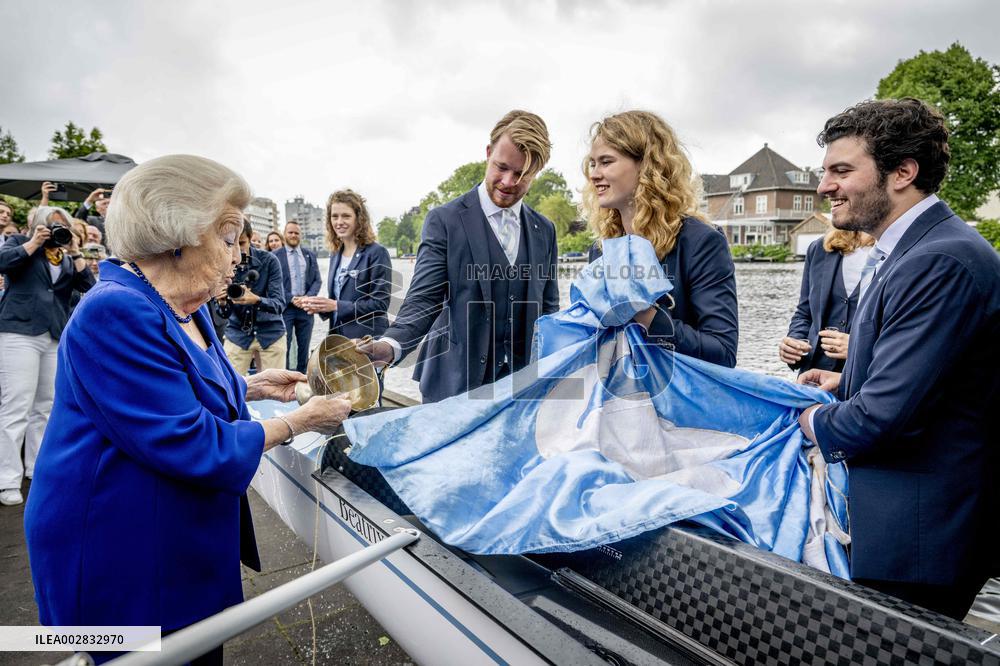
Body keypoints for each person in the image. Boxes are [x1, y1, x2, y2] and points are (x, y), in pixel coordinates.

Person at [23, 155, 352, 660]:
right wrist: (300, 421)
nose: (238, 256)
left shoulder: (185, 305)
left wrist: (251, 386)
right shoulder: (115, 309)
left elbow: (176, 389)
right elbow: (187, 440)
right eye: (227, 237)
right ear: (178, 233)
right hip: (122, 557)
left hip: (167, 542)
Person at [797, 99, 1000, 620]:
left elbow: (883, 417)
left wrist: (808, 417)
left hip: (918, 540)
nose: (824, 187)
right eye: (826, 172)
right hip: (900, 525)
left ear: (903, 173)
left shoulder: (940, 259)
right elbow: (929, 381)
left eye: (842, 171)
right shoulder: (910, 248)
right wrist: (843, 381)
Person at [359, 110, 560, 402]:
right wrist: (390, 345)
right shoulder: (445, 220)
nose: (508, 181)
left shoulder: (545, 229)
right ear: (488, 153)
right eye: (501, 167)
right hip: (453, 385)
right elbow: (423, 299)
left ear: (536, 173)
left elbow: (549, 309)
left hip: (520, 391)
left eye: (521, 174)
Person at [585, 111, 738, 366]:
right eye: (593, 163)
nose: (594, 174)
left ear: (646, 165)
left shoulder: (700, 242)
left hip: (678, 399)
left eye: (606, 162)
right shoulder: (601, 248)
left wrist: (644, 314)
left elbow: (722, 352)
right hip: (619, 398)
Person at [0, 207, 95, 505]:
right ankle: (7, 479)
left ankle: (36, 467)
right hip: (19, 332)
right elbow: (4, 264)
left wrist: (76, 251)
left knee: (45, 406)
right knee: (16, 406)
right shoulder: (18, 242)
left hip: (53, 335)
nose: (58, 230)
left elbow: (90, 287)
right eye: (53, 225)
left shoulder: (65, 257)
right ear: (39, 225)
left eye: (62, 226)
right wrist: (33, 243)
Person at [300, 190, 392, 341]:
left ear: (359, 219)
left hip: (367, 342)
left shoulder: (377, 253)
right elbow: (337, 300)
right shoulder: (335, 254)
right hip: (338, 340)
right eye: (334, 216)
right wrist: (319, 306)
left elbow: (380, 304)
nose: (339, 222)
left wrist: (336, 305)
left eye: (346, 216)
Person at [779, 228, 874, 372]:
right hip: (812, 378)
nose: (834, 203)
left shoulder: (893, 252)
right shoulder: (819, 248)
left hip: (864, 380)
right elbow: (805, 312)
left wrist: (859, 348)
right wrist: (794, 343)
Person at [216, 218, 288, 375]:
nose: (236, 251)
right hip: (237, 333)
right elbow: (223, 314)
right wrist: (221, 303)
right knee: (231, 389)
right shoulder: (223, 262)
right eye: (230, 244)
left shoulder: (269, 261)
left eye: (241, 243)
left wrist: (256, 300)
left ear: (250, 238)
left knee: (275, 392)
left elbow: (279, 304)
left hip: (271, 332)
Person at [272, 220, 322, 373]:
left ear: (300, 235)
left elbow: (317, 280)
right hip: (286, 308)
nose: (293, 235)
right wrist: (291, 298)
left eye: (296, 233)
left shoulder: (309, 255)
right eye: (290, 232)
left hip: (306, 308)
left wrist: (307, 298)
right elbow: (274, 283)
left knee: (304, 346)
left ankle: (301, 378)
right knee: (284, 346)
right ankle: (286, 378)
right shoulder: (275, 256)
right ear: (284, 234)